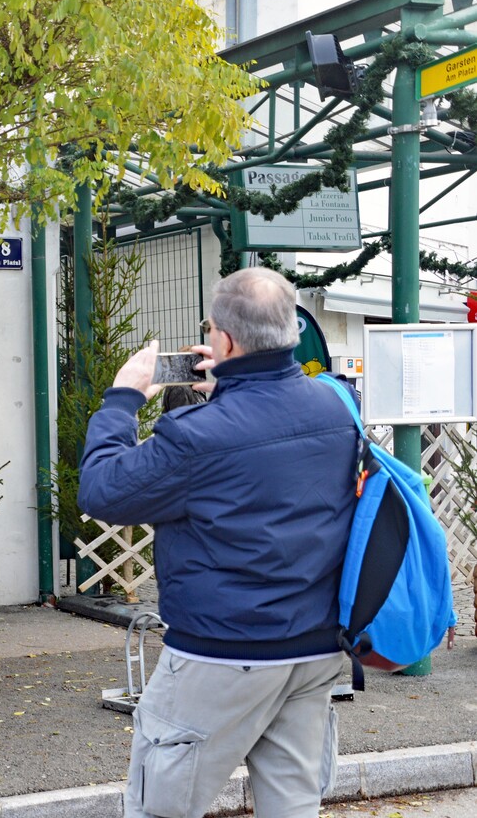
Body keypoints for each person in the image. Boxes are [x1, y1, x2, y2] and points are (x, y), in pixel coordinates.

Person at [78, 267, 360, 818]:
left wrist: (121, 400)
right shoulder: (338, 408)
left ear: (224, 340)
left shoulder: (198, 436)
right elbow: (268, 434)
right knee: (294, 805)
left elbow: (102, 491)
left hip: (223, 653)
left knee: (159, 806)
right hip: (316, 649)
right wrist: (232, 388)